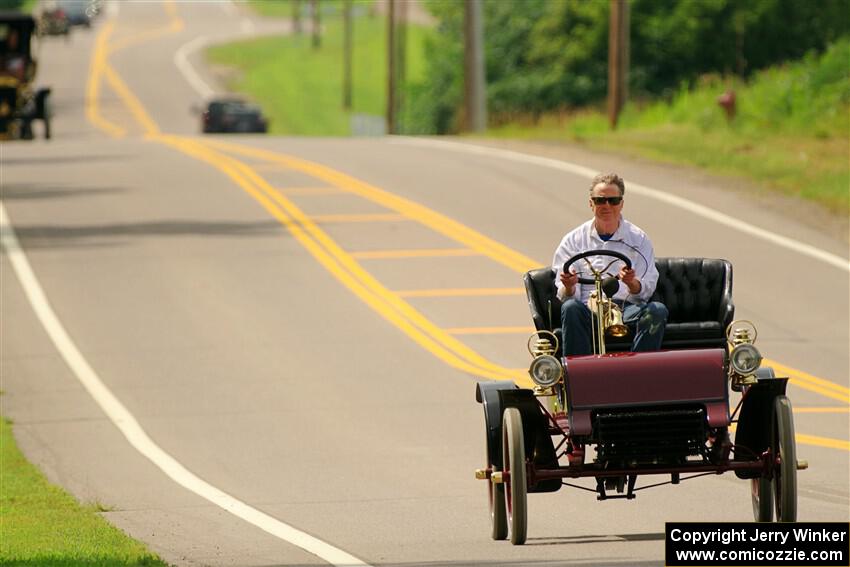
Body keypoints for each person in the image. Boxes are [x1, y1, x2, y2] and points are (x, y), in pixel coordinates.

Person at [552, 172, 668, 356]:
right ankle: (580, 376)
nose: (607, 206)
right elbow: (565, 295)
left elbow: (648, 285)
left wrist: (632, 283)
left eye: (613, 201)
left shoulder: (638, 239)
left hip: (625, 308)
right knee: (570, 308)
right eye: (600, 200)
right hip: (587, 308)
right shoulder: (573, 240)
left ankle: (638, 372)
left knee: (657, 311)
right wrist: (569, 286)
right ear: (591, 203)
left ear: (621, 203)